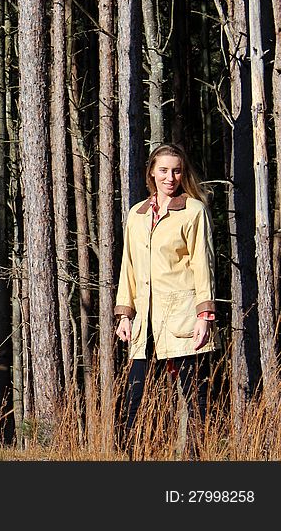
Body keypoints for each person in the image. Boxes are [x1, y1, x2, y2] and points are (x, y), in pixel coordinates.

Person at [114, 143, 216, 456]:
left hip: (183, 319)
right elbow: (128, 266)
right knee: (134, 399)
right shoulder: (137, 214)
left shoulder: (194, 211)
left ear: (183, 173)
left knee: (194, 400)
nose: (170, 177)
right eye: (163, 170)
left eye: (176, 170)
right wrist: (124, 314)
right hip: (143, 324)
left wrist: (204, 316)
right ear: (151, 173)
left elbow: (203, 263)